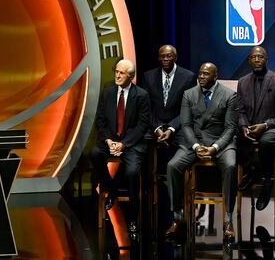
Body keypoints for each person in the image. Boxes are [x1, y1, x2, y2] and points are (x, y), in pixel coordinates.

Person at [165, 63, 238, 242]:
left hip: (220, 141)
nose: (202, 77)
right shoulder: (189, 94)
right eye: (200, 74)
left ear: (215, 76)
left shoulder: (229, 95)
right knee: (172, 166)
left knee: (230, 165)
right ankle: (177, 216)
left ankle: (228, 219)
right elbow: (186, 125)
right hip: (194, 141)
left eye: (206, 74)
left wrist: (215, 148)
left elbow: (230, 128)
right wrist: (196, 146)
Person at [90, 59, 152, 226]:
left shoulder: (141, 95)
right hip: (110, 140)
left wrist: (124, 144)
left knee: (132, 173)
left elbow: (142, 125)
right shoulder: (108, 92)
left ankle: (133, 218)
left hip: (131, 143)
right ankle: (111, 189)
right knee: (95, 153)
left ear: (131, 76)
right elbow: (100, 121)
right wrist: (109, 141)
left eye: (122, 73)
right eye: (116, 71)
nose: (117, 75)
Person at [235, 46, 275, 211]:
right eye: (253, 57)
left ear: (266, 59)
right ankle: (253, 169)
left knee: (266, 141)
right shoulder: (242, 82)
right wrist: (244, 126)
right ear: (249, 61)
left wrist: (266, 125)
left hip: (273, 128)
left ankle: (267, 182)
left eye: (260, 57)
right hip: (252, 128)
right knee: (233, 136)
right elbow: (240, 111)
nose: (257, 60)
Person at [141, 44, 196, 170]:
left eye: (168, 56)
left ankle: (179, 186)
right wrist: (157, 128)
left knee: (186, 143)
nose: (165, 59)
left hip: (178, 125)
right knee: (140, 145)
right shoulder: (148, 76)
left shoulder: (188, 77)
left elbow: (187, 109)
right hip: (155, 125)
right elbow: (146, 108)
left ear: (175, 57)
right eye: (162, 56)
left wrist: (171, 129)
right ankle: (148, 187)